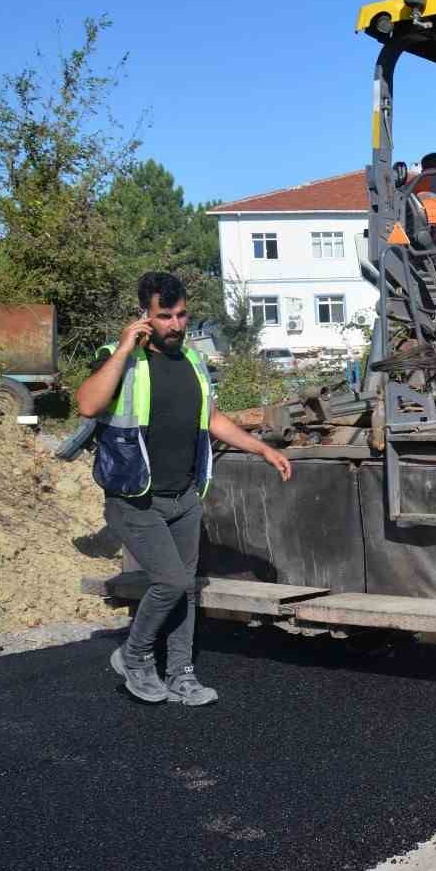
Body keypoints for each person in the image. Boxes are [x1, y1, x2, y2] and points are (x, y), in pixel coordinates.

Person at [76, 272, 293, 706]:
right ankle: (135, 656)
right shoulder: (123, 359)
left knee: (187, 589)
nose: (175, 325)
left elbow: (211, 418)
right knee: (171, 582)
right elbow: (88, 404)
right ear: (145, 316)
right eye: (164, 316)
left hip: (184, 497)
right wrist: (123, 347)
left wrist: (261, 449)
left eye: (181, 315)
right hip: (135, 497)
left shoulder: (192, 361)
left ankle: (181, 674)